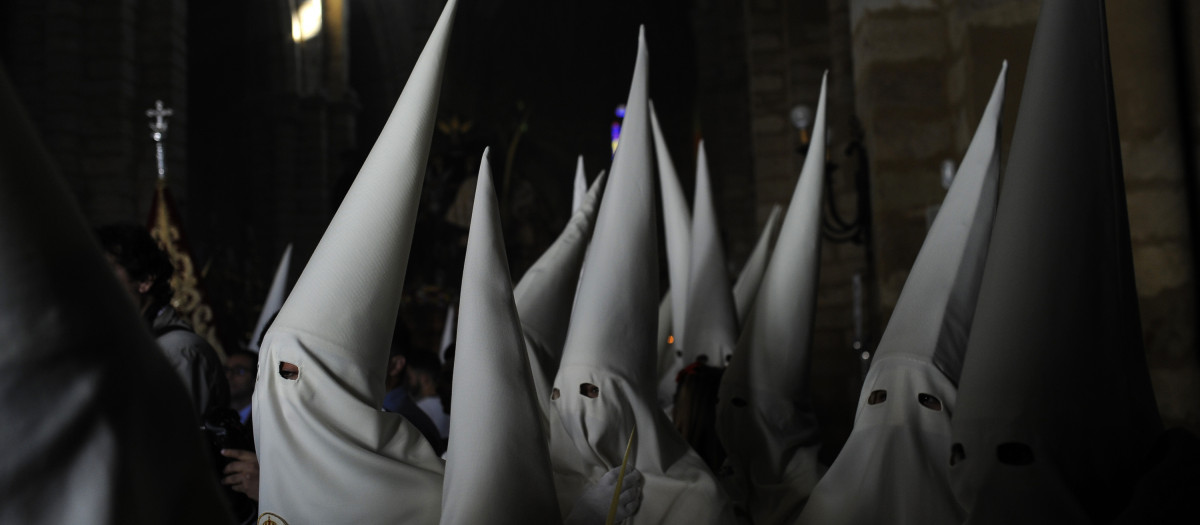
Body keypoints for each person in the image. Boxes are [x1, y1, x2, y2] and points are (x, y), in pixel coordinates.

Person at [96, 223, 229, 420]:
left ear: (145, 281)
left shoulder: (178, 351)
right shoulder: (120, 344)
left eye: (106, 269)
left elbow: (177, 440)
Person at [225, 349, 257, 426]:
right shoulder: (211, 413)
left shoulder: (266, 420)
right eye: (226, 370)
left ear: (256, 379)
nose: (228, 376)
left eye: (239, 371)